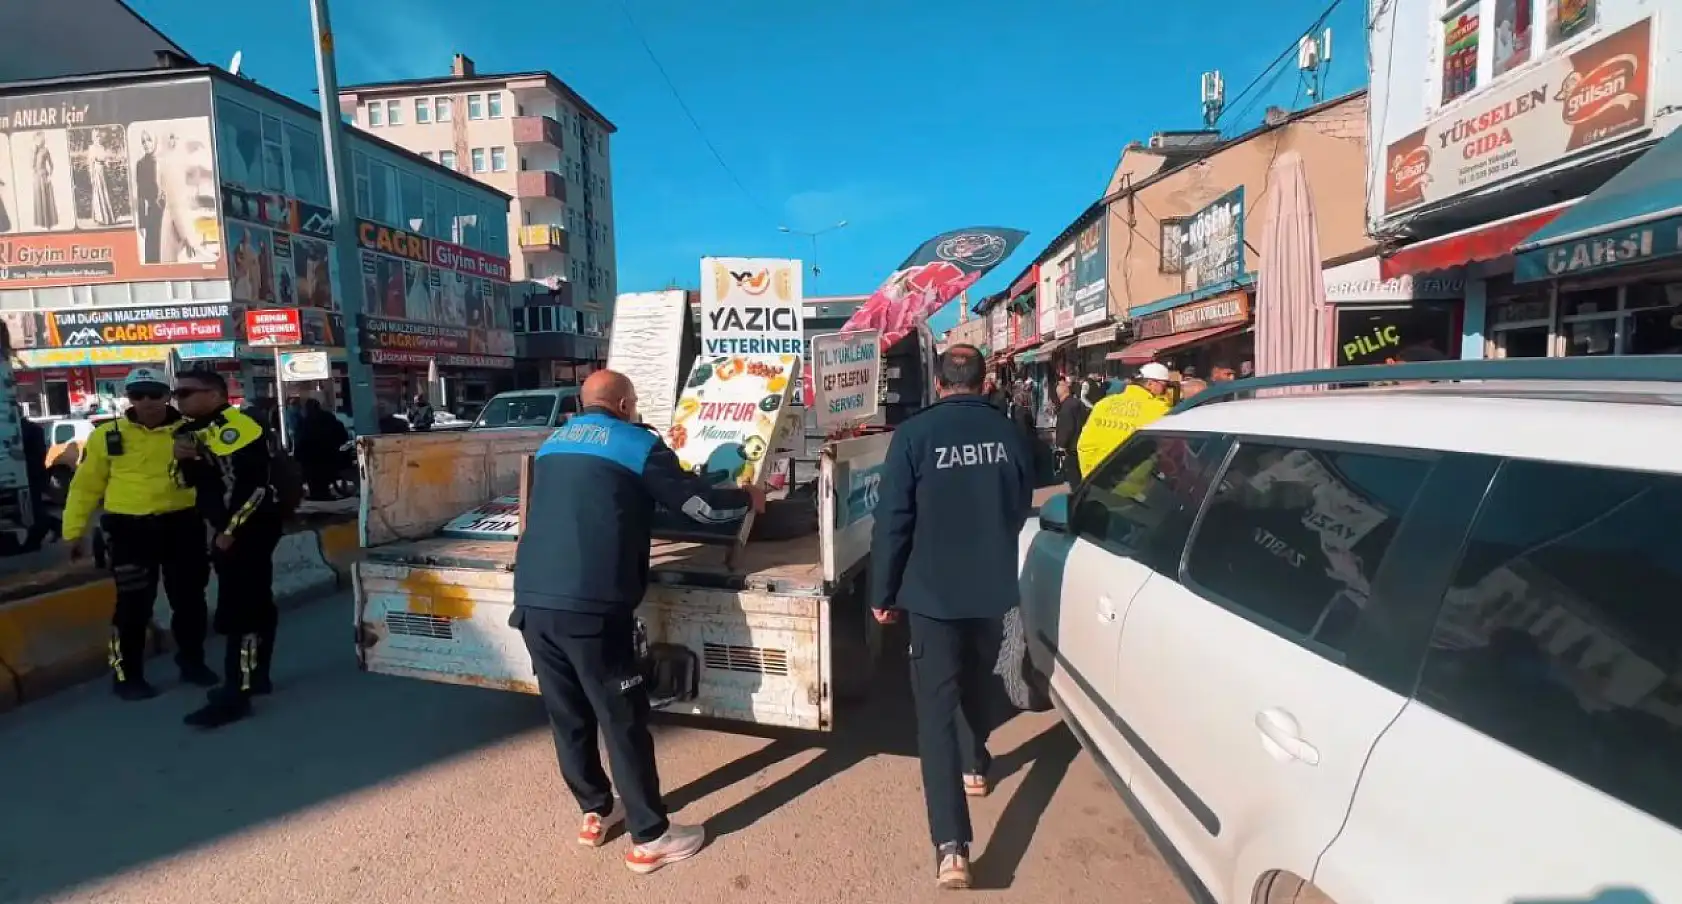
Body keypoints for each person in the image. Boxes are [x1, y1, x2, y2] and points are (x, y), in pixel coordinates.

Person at [512, 369, 766, 874]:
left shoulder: (554, 443)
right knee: (621, 717)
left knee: (569, 715)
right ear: (626, 404)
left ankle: (596, 810)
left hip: (534, 601)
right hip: (591, 605)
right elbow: (698, 507)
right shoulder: (636, 444)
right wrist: (747, 500)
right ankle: (651, 837)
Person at [870, 344, 1035, 889]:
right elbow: (1020, 504)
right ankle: (975, 765)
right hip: (993, 589)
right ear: (984, 382)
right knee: (981, 680)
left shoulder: (914, 436)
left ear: (938, 383)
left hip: (932, 597)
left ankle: (952, 847)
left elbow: (893, 520)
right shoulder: (1007, 432)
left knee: (937, 712)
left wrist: (883, 591)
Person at [61, 367, 215, 699]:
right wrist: (74, 532)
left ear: (167, 396)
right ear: (128, 398)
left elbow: (217, 477)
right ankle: (126, 676)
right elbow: (85, 487)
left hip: (182, 526)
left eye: (154, 394)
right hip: (130, 531)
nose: (147, 402)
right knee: (132, 608)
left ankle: (193, 664)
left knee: (190, 602)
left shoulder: (193, 432)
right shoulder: (107, 436)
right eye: (137, 395)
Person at [170, 369, 284, 728]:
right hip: (224, 529)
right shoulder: (192, 431)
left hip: (248, 530)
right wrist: (184, 458)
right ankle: (256, 677)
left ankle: (238, 690)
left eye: (187, 393)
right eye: (177, 393)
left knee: (242, 612)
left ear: (215, 394)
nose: (179, 400)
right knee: (255, 604)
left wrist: (231, 530)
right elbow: (183, 483)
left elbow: (254, 486)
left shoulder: (237, 427)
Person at [1075, 362, 1175, 479]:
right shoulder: (1160, 410)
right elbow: (1169, 454)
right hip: (1137, 486)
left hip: (1095, 481)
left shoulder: (1103, 404)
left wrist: (1090, 475)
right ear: (1150, 384)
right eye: (1165, 386)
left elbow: (1084, 444)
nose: (1166, 391)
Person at [18, 406, 58, 552]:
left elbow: (39, 454)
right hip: (28, 474)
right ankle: (56, 526)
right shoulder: (27, 429)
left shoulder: (32, 429)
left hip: (32, 475)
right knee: (34, 508)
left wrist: (23, 457)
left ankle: (35, 540)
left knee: (34, 508)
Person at [296, 398, 348, 499]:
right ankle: (324, 492)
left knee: (313, 476)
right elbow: (340, 433)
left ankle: (316, 493)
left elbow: (300, 439)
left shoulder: (305, 422)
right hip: (328, 453)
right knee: (325, 474)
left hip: (311, 456)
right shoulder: (328, 418)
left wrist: (298, 455)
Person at [1052, 378, 1087, 488]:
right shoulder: (1078, 403)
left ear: (1059, 395)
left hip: (1072, 447)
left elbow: (1067, 428)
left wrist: (1061, 445)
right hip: (1083, 442)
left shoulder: (1065, 408)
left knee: (1073, 475)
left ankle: (1078, 494)